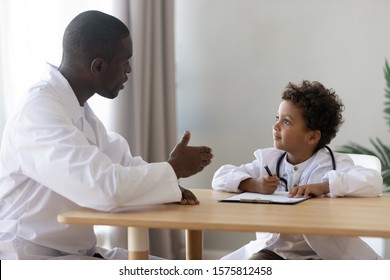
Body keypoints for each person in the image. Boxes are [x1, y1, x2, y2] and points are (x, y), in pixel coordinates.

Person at [0, 10, 213, 260]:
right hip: (30, 258)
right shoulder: (38, 111)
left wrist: (169, 182)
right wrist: (171, 170)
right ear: (98, 66)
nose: (129, 70)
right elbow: (104, 188)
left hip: (71, 254)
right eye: (125, 61)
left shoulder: (76, 108)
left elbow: (121, 162)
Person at [212, 80, 383, 260]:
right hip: (275, 252)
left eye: (286, 121)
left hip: (322, 255)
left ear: (312, 136)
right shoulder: (269, 162)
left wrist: (325, 186)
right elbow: (220, 177)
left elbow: (373, 181)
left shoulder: (333, 164)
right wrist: (253, 184)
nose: (276, 126)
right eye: (276, 118)